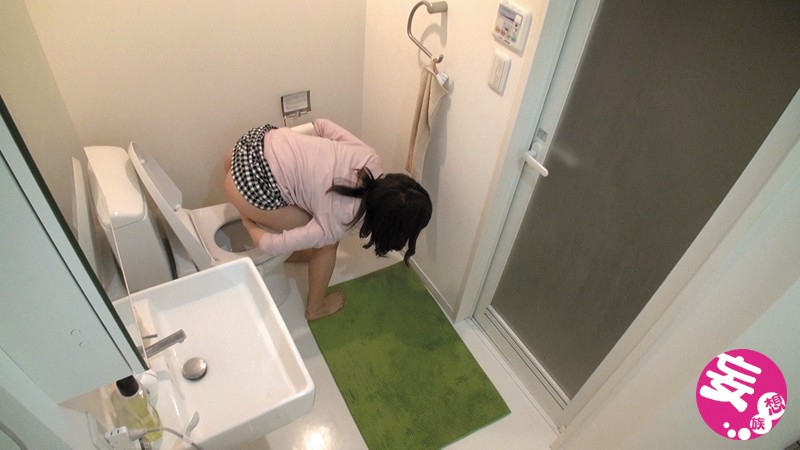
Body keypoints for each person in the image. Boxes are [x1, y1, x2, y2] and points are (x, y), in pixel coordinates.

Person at [223, 118, 432, 320]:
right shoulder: (336, 223)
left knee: (319, 226)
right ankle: (316, 308)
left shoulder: (370, 158)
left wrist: (308, 161)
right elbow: (270, 245)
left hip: (248, 146)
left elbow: (321, 125)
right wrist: (247, 221)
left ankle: (303, 251)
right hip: (246, 187)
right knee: (328, 243)